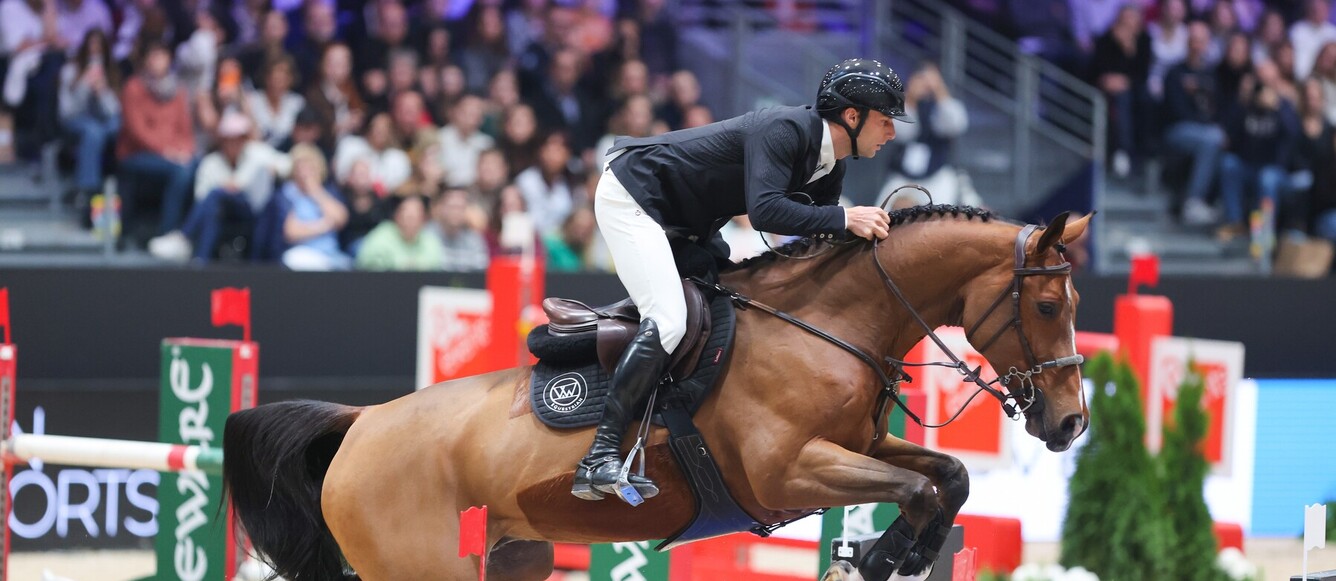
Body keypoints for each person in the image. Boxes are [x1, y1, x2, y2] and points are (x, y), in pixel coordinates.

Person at [570, 58, 901, 504]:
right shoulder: (784, 130)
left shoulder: (830, 165)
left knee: (736, 305)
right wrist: (846, 216)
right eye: (886, 121)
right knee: (669, 320)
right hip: (636, 198)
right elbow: (765, 212)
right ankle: (599, 455)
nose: (892, 134)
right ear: (852, 116)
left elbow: (820, 237)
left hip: (689, 224)